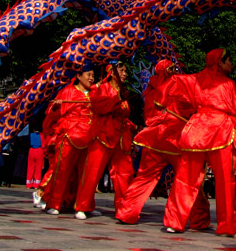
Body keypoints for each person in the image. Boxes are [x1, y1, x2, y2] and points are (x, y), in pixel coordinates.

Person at [116, 59, 210, 227]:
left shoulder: (151, 89)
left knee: (144, 178)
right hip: (175, 140)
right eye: (172, 68)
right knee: (189, 179)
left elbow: (150, 117)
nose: (174, 71)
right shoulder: (179, 86)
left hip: (154, 140)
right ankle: (199, 218)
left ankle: (126, 211)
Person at [163, 49, 236, 237]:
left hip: (197, 129)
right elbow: (235, 113)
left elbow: (172, 85)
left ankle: (175, 221)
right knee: (224, 181)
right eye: (228, 60)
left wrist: (166, 73)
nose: (231, 63)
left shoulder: (194, 79)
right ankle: (227, 225)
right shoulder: (229, 84)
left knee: (186, 178)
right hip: (221, 131)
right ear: (219, 62)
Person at [73, 61, 135, 220]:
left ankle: (124, 208)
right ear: (112, 73)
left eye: (125, 71)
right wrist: (117, 100)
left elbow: (125, 112)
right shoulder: (101, 89)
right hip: (103, 135)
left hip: (121, 137)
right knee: (93, 171)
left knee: (124, 174)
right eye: (121, 70)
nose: (125, 74)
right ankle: (83, 205)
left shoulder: (123, 91)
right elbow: (99, 107)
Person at [42, 65, 96, 215]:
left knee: (86, 174)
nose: (91, 78)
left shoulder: (94, 94)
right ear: (78, 76)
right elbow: (52, 115)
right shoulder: (68, 92)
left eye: (93, 75)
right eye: (89, 74)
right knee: (62, 171)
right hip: (69, 134)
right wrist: (55, 108)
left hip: (89, 136)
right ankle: (54, 203)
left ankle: (83, 206)